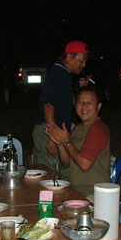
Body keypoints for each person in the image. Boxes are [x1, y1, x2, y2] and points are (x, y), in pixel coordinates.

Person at [32, 40, 90, 171]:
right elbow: (48, 105)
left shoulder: (65, 74)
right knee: (49, 172)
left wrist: (81, 89)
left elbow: (65, 102)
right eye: (81, 61)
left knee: (61, 171)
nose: (84, 65)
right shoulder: (57, 74)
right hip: (48, 130)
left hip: (57, 131)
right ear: (69, 57)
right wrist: (53, 136)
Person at [45, 87, 110, 196]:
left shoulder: (98, 129)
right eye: (80, 102)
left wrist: (67, 142)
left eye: (89, 102)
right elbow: (66, 163)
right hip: (75, 190)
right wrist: (60, 144)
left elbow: (84, 164)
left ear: (98, 106)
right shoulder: (77, 128)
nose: (84, 106)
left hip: (93, 194)